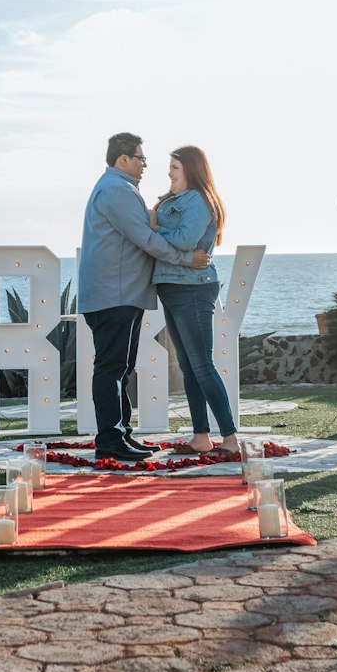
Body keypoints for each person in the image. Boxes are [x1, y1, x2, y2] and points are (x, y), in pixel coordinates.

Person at [78, 132, 211, 462]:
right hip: (115, 295)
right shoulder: (117, 191)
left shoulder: (118, 189)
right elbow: (146, 239)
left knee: (120, 368)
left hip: (119, 294)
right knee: (112, 368)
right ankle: (110, 439)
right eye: (141, 159)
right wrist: (187, 259)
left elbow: (145, 236)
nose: (145, 166)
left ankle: (121, 434)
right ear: (123, 160)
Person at [151, 145, 238, 455]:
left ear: (190, 169)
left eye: (175, 168)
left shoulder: (198, 201)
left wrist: (154, 228)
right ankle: (201, 437)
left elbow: (186, 240)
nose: (169, 173)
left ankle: (229, 439)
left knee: (202, 366)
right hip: (173, 287)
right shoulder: (173, 200)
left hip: (193, 288)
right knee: (189, 368)